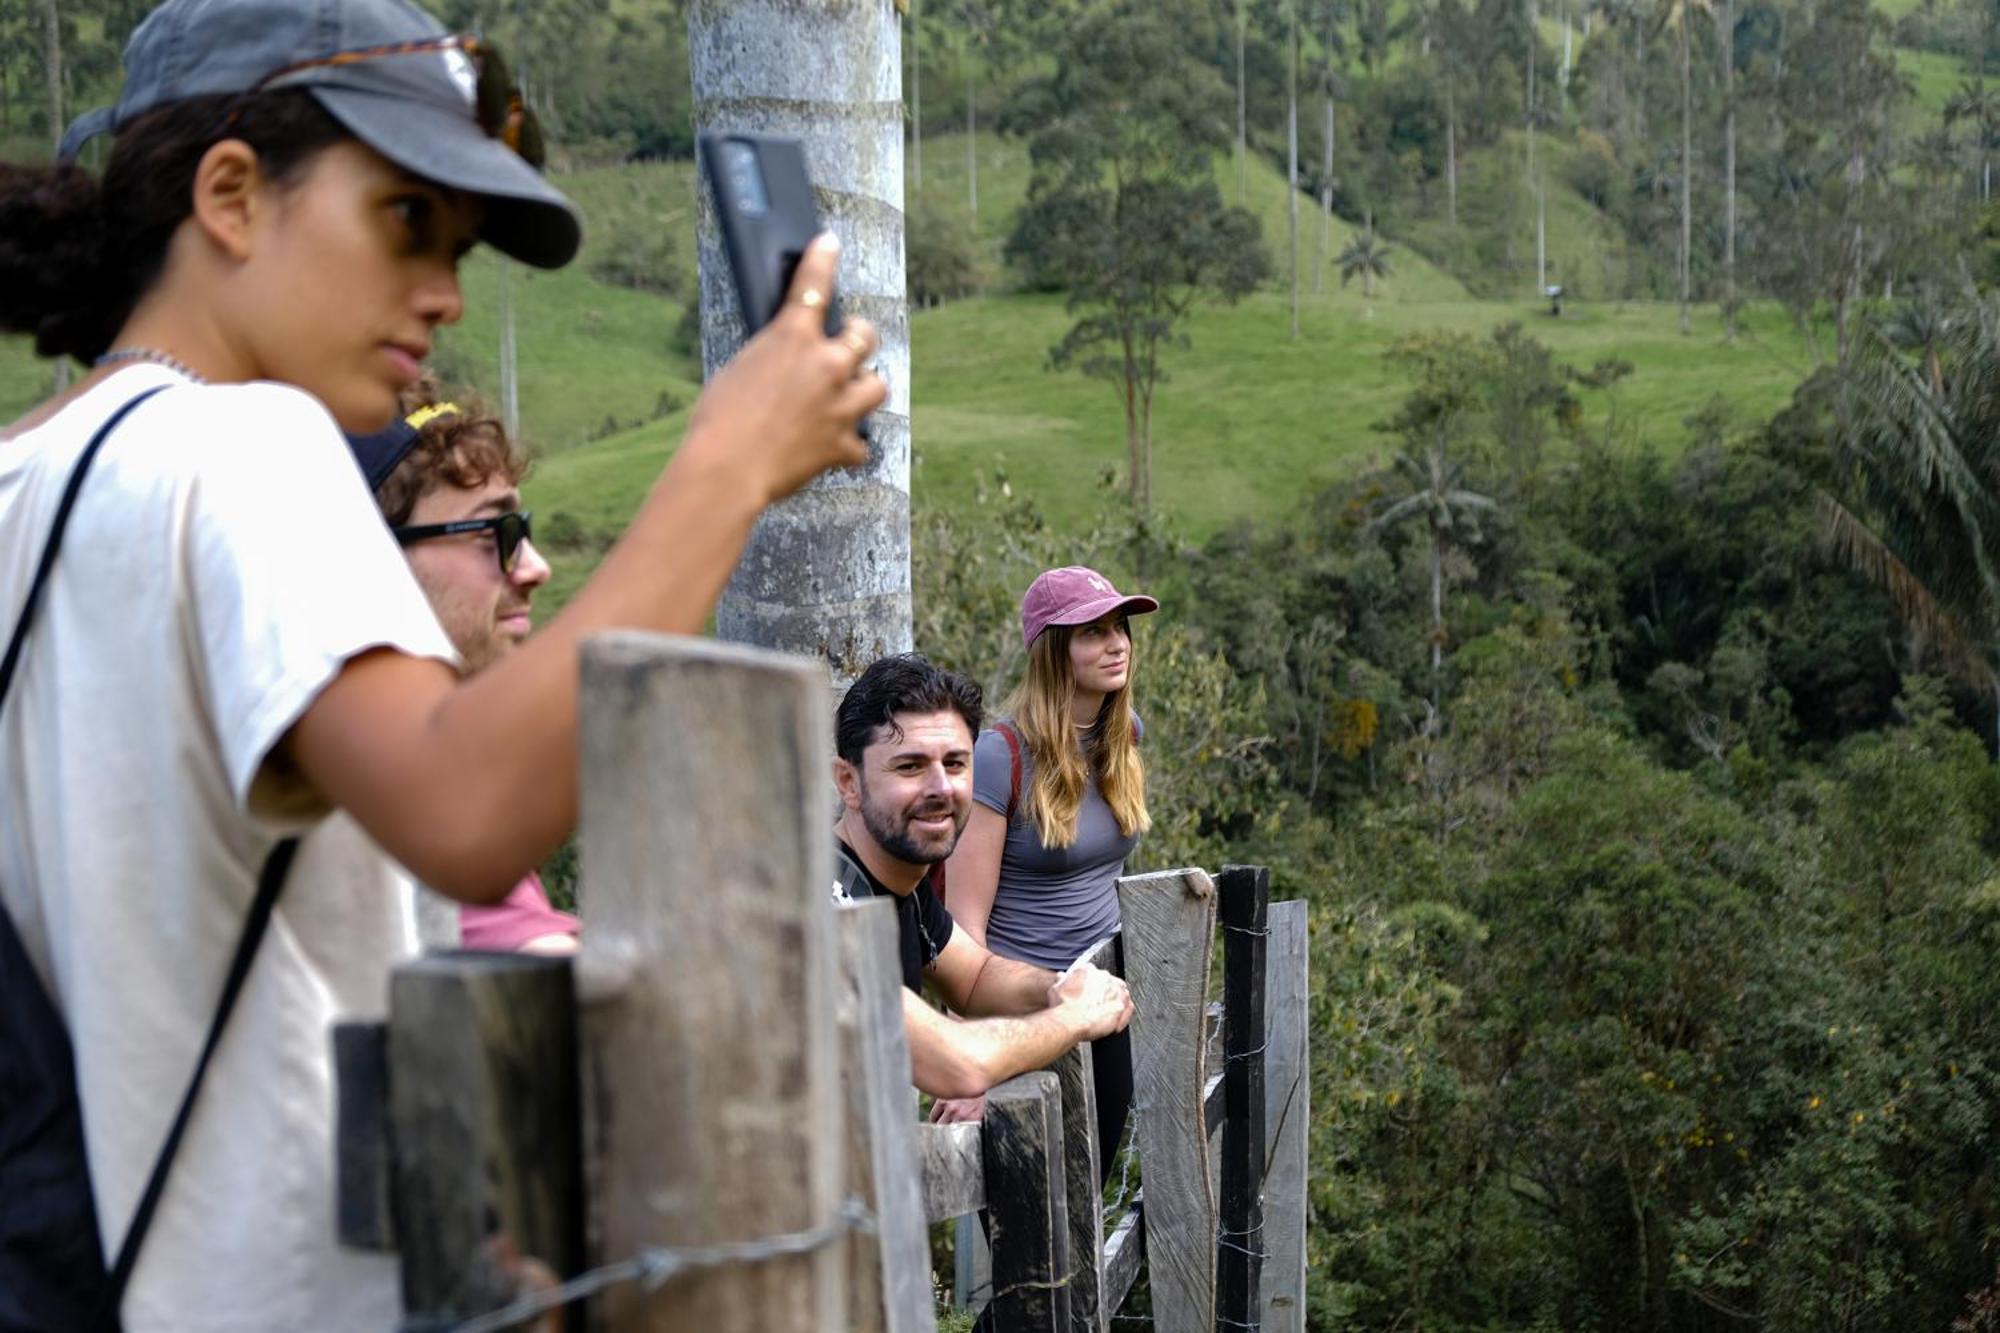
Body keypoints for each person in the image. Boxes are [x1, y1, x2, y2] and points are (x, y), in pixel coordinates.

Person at [0, 0, 881, 1325]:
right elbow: (463, 807)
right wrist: (730, 466)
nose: (447, 292)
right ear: (232, 196)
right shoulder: (246, 448)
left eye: (459, 246)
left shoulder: (27, 478)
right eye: (406, 220)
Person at [832, 654, 1133, 1105]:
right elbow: (957, 1064)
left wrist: (1057, 987)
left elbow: (974, 977)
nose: (941, 788)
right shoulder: (825, 906)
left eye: (955, 764)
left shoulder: (902, 890)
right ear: (848, 782)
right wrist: (1073, 1016)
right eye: (909, 767)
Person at [942, 566, 1159, 1172]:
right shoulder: (1000, 757)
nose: (1116, 644)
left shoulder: (1125, 740)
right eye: (1092, 632)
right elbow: (963, 926)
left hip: (1104, 1004)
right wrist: (965, 1063)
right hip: (1020, 1018)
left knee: (1087, 1198)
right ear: (1052, 652)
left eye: (1120, 628)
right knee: (1029, 1226)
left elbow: (1106, 876)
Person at [346, 390, 577, 954]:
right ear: (372, 558)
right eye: (490, 535)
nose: (534, 568)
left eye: (520, 532)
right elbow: (545, 973)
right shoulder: (376, 773)